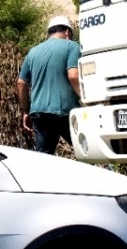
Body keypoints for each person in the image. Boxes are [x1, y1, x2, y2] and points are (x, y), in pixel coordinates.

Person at [17, 15, 81, 154]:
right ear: (67, 32)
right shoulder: (72, 46)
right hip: (66, 111)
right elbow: (73, 75)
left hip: (40, 112)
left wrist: (26, 110)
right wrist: (84, 98)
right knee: (84, 151)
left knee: (44, 157)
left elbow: (21, 83)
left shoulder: (33, 52)